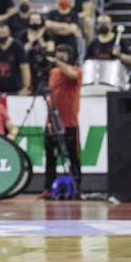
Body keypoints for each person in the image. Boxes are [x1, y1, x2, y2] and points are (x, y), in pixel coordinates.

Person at [43, 43, 81, 197]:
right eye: (58, 52)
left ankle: (76, 187)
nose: (60, 55)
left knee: (73, 157)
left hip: (69, 121)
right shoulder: (53, 72)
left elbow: (71, 75)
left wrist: (58, 62)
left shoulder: (77, 71)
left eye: (64, 53)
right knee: (50, 158)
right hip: (52, 120)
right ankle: (48, 188)